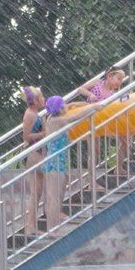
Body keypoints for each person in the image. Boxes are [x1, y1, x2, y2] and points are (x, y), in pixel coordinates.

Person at [41, 96, 101, 233]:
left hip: (57, 162)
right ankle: (52, 228)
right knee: (54, 197)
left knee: (58, 195)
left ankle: (53, 226)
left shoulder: (51, 117)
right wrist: (93, 107)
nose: (67, 106)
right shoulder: (58, 121)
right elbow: (76, 117)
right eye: (64, 105)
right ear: (60, 108)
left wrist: (80, 103)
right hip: (55, 163)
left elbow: (74, 105)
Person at [78, 67, 127, 176]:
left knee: (125, 139)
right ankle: (92, 182)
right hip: (92, 120)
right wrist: (90, 94)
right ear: (109, 76)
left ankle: (118, 167)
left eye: (121, 80)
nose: (120, 82)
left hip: (106, 120)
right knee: (95, 151)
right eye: (118, 78)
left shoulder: (115, 94)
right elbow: (81, 89)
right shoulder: (98, 83)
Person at [20, 87, 46, 235]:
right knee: (37, 190)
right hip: (33, 153)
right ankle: (31, 225)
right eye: (41, 97)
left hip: (38, 152)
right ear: (35, 101)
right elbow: (27, 136)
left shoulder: (36, 113)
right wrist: (44, 134)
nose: (44, 99)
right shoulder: (30, 115)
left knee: (37, 191)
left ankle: (31, 225)